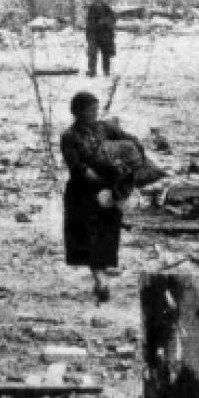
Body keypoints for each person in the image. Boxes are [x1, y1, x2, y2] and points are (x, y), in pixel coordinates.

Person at [59, 91, 131, 303]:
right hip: (83, 193)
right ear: (77, 112)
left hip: (107, 190)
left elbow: (128, 143)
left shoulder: (104, 128)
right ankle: (100, 280)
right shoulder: (69, 136)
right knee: (89, 238)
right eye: (90, 111)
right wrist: (105, 179)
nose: (94, 114)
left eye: (95, 110)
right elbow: (78, 168)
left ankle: (101, 278)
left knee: (106, 236)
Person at [84, 0, 116, 77]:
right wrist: (97, 23)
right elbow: (90, 22)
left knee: (106, 54)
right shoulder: (91, 8)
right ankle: (92, 71)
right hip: (94, 35)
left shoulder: (106, 8)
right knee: (92, 53)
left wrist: (106, 21)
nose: (97, 0)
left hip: (105, 35)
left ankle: (106, 71)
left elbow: (113, 18)